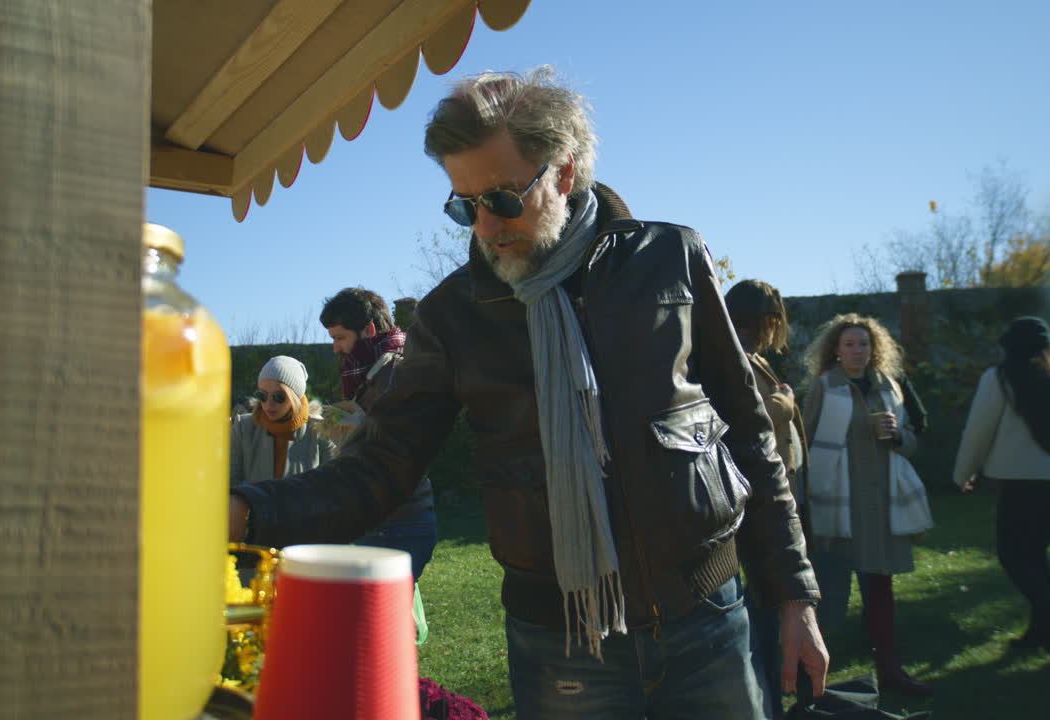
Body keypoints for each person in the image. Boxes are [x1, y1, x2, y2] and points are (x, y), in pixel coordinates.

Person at [229, 67, 827, 719]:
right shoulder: (454, 314)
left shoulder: (672, 259)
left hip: (707, 618)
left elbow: (748, 433)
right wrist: (247, 510)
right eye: (464, 205)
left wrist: (795, 596)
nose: (484, 226)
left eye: (504, 199)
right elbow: (380, 466)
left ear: (564, 172)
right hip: (560, 646)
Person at [801, 314, 932, 697]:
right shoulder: (825, 388)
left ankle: (890, 671)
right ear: (836, 351)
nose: (858, 351)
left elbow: (911, 443)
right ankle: (812, 680)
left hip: (881, 507)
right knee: (829, 597)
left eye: (864, 344)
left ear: (875, 349)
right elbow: (805, 443)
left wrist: (898, 436)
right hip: (837, 505)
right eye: (850, 344)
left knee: (881, 593)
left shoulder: (889, 386)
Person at [952, 316, 1050, 659]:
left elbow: (978, 431)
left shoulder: (999, 379)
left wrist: (962, 473)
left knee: (1013, 555)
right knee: (1035, 557)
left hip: (1021, 483)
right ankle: (1041, 633)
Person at [725, 278, 809, 718]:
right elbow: (735, 420)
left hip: (775, 495)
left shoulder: (754, 357)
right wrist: (783, 405)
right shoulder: (729, 356)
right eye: (769, 320)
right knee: (760, 610)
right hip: (752, 504)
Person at [320, 287, 438, 581]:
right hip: (380, 516)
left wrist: (348, 429)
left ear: (368, 330)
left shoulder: (396, 370)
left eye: (340, 337)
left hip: (400, 521)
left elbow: (396, 447)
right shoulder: (371, 371)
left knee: (378, 619)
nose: (336, 348)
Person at [229, 355, 335, 489]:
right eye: (262, 395)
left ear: (295, 398)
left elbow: (331, 487)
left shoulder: (321, 431)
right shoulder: (242, 427)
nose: (269, 403)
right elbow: (232, 485)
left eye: (279, 397)